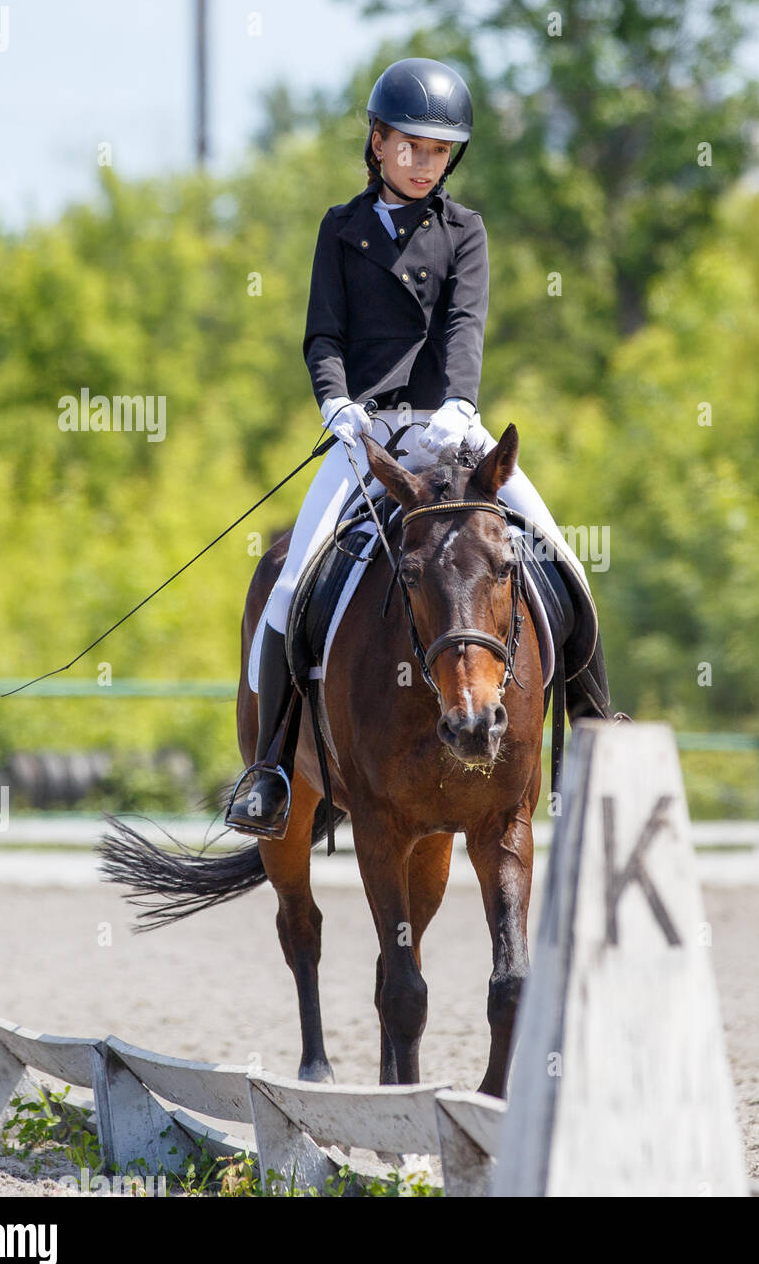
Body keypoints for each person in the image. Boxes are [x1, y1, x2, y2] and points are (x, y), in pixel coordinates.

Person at [227, 57, 613, 834]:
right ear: (376, 143)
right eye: (409, 146)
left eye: (437, 152)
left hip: (451, 428)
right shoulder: (340, 230)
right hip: (366, 441)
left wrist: (461, 404)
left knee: (561, 558)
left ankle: (598, 732)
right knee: (293, 578)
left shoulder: (465, 230)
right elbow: (324, 333)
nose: (422, 162)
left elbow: (465, 325)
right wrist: (336, 404)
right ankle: (268, 770)